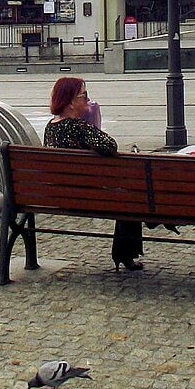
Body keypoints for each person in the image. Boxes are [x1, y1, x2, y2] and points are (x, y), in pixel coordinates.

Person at [44, 76, 143, 271]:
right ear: (71, 102)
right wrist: (91, 122)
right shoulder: (79, 127)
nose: (88, 101)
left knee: (127, 194)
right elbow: (110, 145)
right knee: (132, 196)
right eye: (84, 96)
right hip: (87, 196)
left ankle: (126, 253)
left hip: (59, 194)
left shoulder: (51, 128)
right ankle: (126, 254)